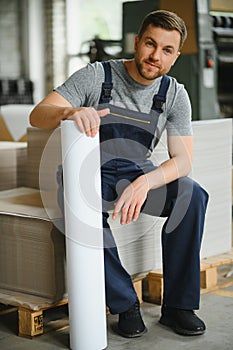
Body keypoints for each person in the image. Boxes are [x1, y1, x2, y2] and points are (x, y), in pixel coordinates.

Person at [30, 10, 209, 339]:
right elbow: (38, 114)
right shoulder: (97, 76)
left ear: (175, 56)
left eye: (167, 50)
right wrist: (71, 110)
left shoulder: (174, 94)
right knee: (79, 205)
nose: (155, 56)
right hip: (85, 172)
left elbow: (183, 161)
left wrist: (145, 182)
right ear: (137, 42)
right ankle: (126, 304)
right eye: (150, 44)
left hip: (136, 172)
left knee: (192, 194)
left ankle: (179, 307)